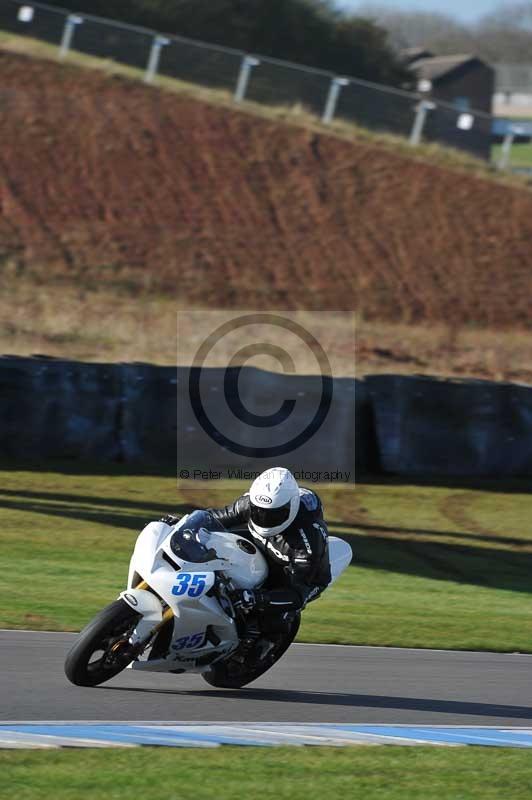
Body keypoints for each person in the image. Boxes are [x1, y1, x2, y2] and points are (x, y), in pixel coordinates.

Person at [191, 467, 331, 634]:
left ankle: (245, 654)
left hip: (297, 574)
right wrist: (183, 524)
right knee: (212, 541)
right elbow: (214, 518)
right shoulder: (249, 503)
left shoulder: (307, 540)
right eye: (259, 512)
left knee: (273, 624)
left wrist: (258, 598)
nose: (264, 519)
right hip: (262, 547)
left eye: (273, 515)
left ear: (291, 507)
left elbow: (297, 594)